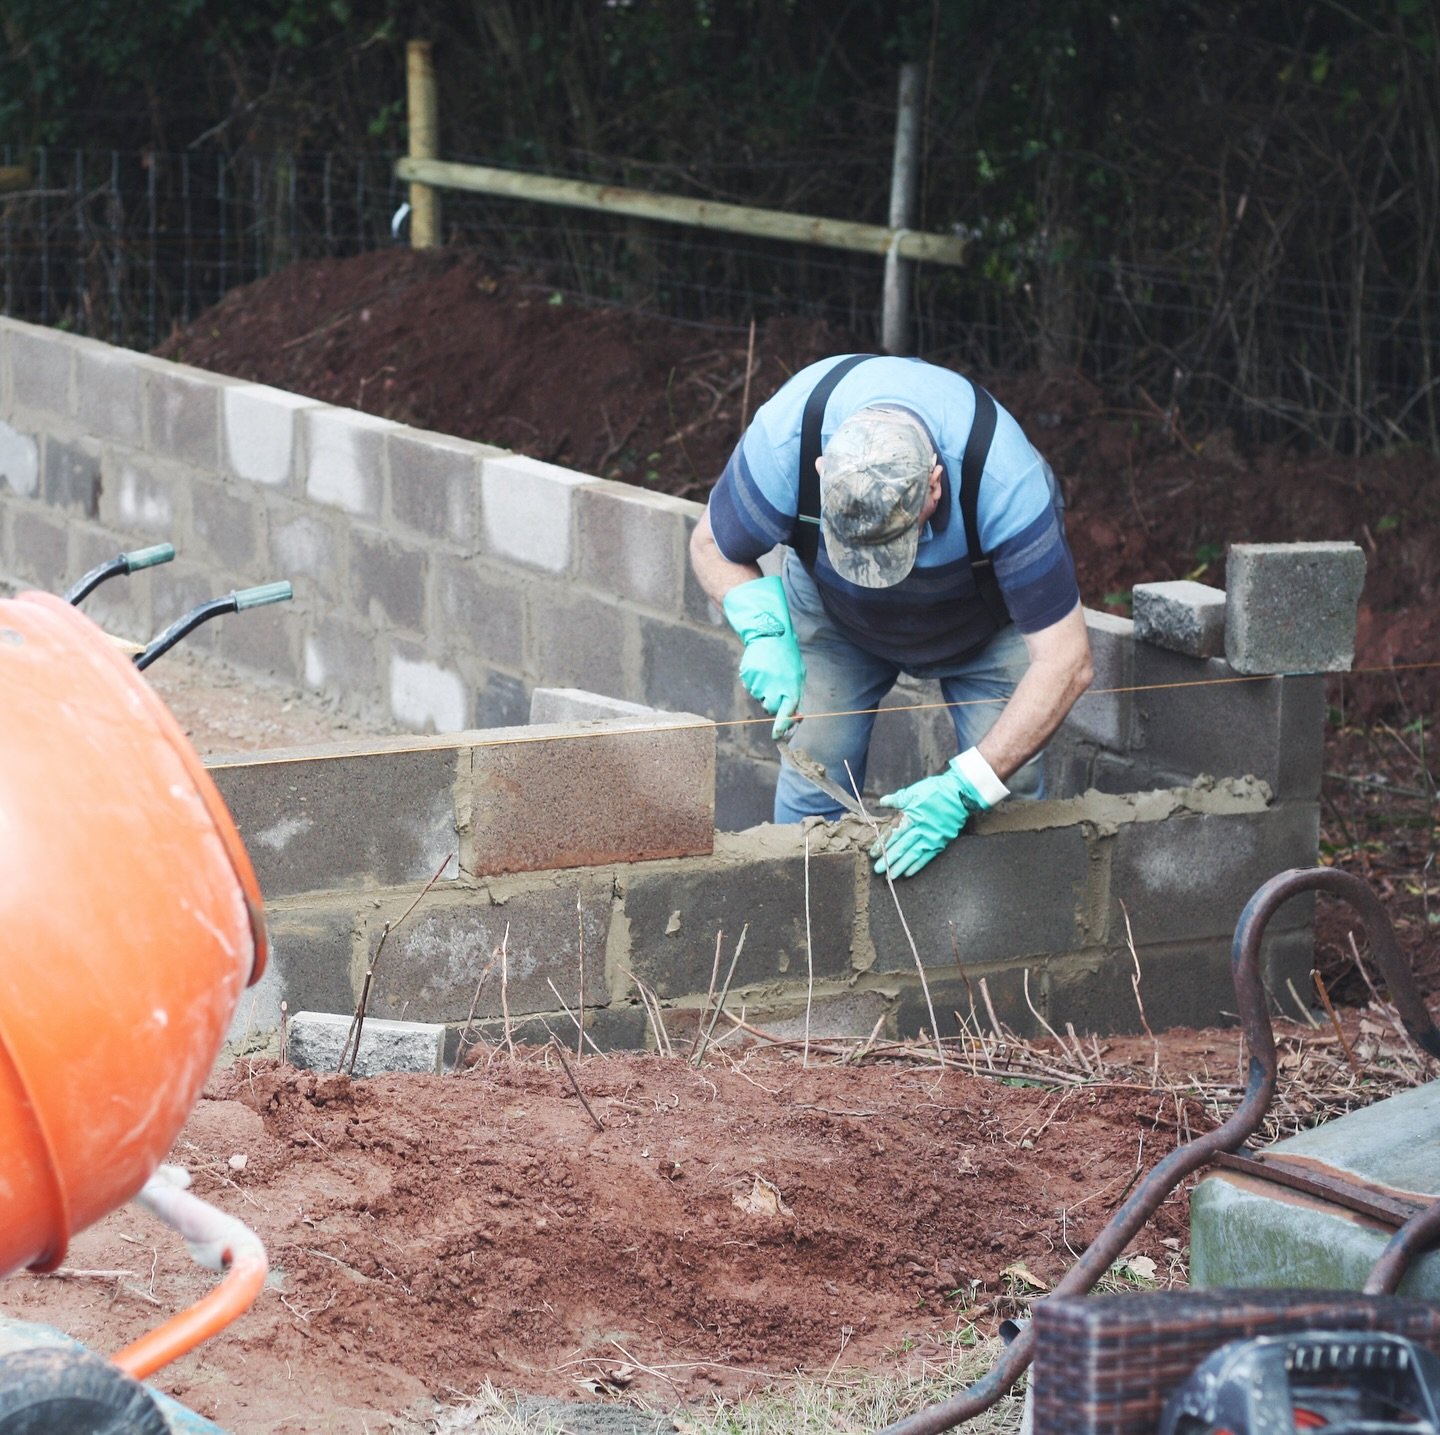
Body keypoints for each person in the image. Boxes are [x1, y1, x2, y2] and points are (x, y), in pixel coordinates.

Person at [689, 353, 1093, 878]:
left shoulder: (1004, 480)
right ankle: (810, 929)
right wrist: (764, 630)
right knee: (816, 771)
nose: (877, 575)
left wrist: (967, 787)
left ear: (934, 484)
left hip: (983, 629)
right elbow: (711, 545)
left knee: (1004, 802)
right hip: (834, 618)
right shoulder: (789, 441)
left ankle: (1002, 939)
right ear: (820, 472)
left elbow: (1067, 661)